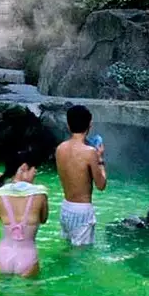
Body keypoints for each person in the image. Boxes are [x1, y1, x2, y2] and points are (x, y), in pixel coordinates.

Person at [0, 149, 48, 277]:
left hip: (2, 255)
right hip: (27, 255)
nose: (35, 173)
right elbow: (43, 219)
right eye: (34, 170)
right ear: (24, 167)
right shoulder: (41, 193)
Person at [53, 104, 106, 245]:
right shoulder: (90, 153)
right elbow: (101, 185)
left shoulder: (60, 149)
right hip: (82, 211)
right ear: (90, 125)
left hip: (65, 208)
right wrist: (100, 158)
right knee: (80, 256)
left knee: (68, 248)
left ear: (69, 126)